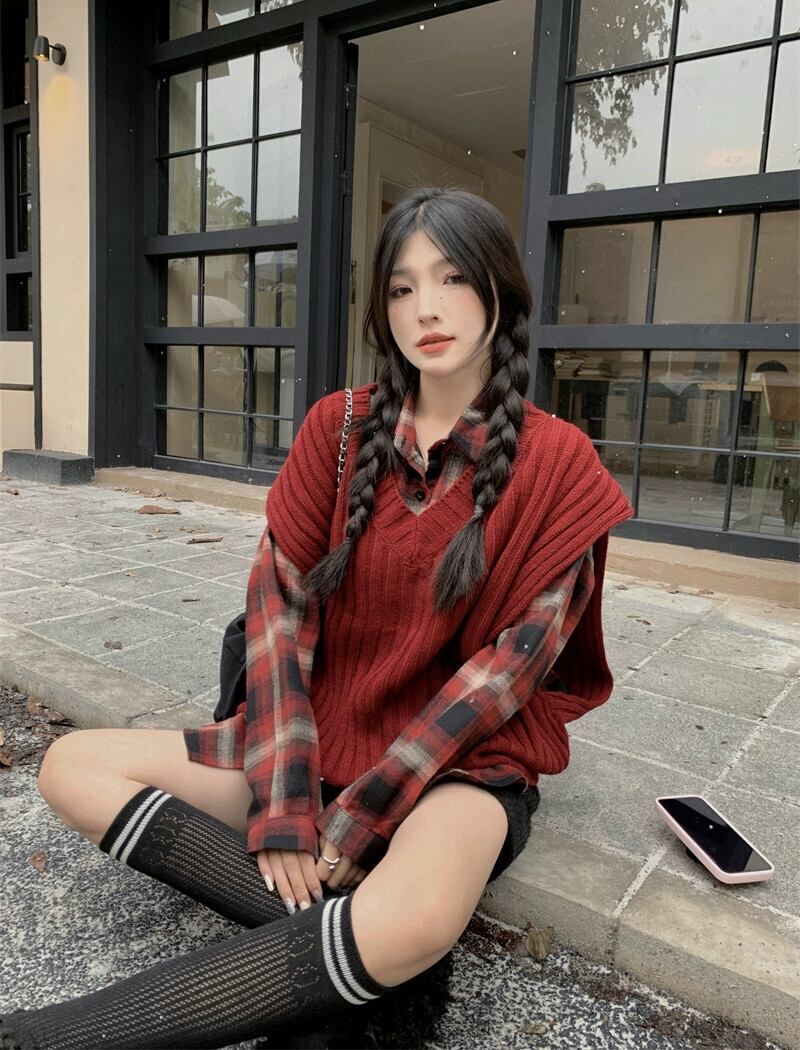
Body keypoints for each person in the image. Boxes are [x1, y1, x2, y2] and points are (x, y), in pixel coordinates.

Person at [1, 187, 633, 1049]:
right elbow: (277, 617)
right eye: (402, 287)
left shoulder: (562, 464)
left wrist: (363, 814)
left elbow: (506, 676)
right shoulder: (337, 430)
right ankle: (359, 956)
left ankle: (47, 1039)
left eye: (452, 278)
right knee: (71, 768)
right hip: (319, 733)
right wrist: (286, 801)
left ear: (501, 291)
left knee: (419, 912)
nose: (427, 308)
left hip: (461, 762)